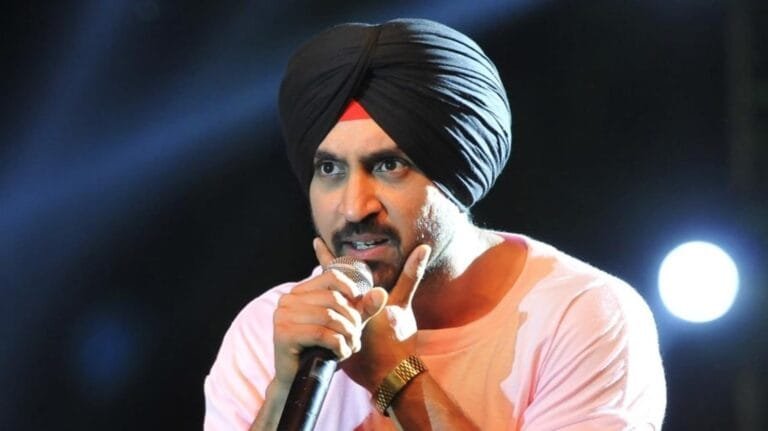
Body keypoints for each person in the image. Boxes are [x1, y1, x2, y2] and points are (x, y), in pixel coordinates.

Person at [204, 18, 666, 430]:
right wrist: (286, 389)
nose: (354, 208)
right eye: (329, 169)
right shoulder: (271, 328)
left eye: (388, 166)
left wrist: (395, 375)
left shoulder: (580, 316)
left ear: (458, 176)